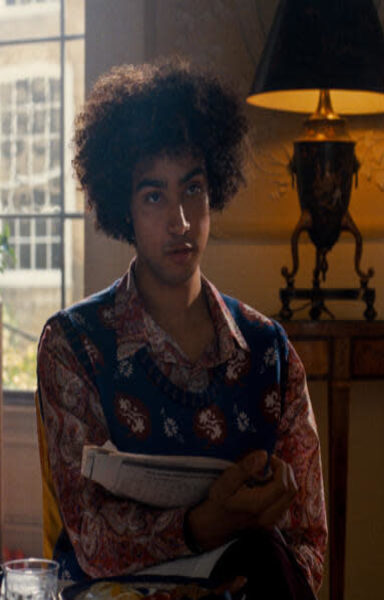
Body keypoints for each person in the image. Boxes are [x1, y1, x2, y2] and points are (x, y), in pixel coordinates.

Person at [36, 59, 327, 599]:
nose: (181, 221)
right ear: (123, 208)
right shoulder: (74, 346)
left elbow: (308, 543)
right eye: (155, 196)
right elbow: (91, 539)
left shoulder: (269, 352)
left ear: (215, 188)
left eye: (193, 189)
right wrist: (201, 526)